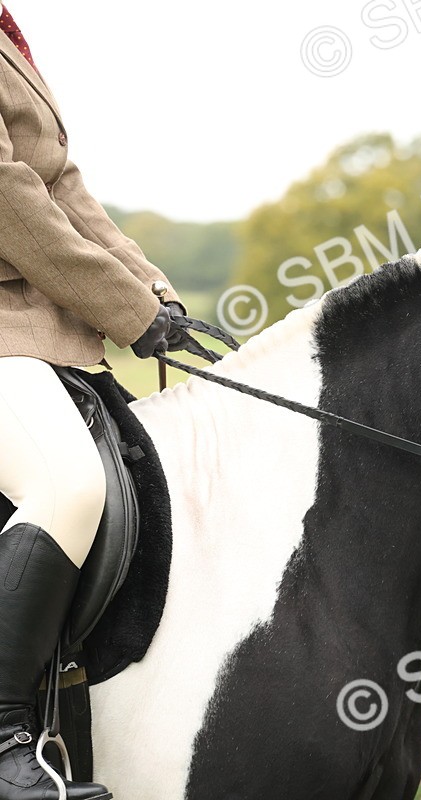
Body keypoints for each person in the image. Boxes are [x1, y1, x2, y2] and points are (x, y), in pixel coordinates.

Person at [0, 5, 183, 798]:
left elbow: (61, 185)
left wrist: (154, 292)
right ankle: (3, 736)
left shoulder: (6, 35)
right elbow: (11, 202)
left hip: (40, 330)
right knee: (68, 484)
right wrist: (129, 312)